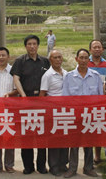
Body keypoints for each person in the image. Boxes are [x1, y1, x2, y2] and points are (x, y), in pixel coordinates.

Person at [10, 35, 50, 175]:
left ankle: (41, 166)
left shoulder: (45, 61)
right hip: (25, 102)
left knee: (41, 135)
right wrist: (23, 96)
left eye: (34, 44)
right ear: (25, 46)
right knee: (26, 135)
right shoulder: (20, 61)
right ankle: (28, 166)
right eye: (29, 44)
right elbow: (16, 78)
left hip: (42, 102)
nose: (32, 46)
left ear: (38, 45)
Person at [62, 49, 102, 178]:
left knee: (89, 143)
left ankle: (88, 168)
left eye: (86, 58)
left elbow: (100, 98)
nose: (84, 60)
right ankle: (72, 168)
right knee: (74, 143)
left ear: (88, 60)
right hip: (75, 115)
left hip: (91, 115)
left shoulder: (95, 76)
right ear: (76, 59)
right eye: (81, 57)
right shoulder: (69, 76)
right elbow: (66, 97)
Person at [40, 49, 68, 177]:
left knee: (65, 139)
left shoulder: (67, 73)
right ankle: (54, 166)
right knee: (54, 140)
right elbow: (42, 95)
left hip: (66, 112)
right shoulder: (47, 75)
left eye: (59, 57)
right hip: (53, 112)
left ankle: (63, 164)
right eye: (55, 58)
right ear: (50, 60)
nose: (58, 60)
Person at [88, 40, 106, 164]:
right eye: (94, 47)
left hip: (101, 101)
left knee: (98, 128)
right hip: (88, 100)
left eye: (99, 47)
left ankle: (97, 156)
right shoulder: (86, 63)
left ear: (102, 50)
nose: (97, 49)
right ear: (90, 49)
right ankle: (89, 155)